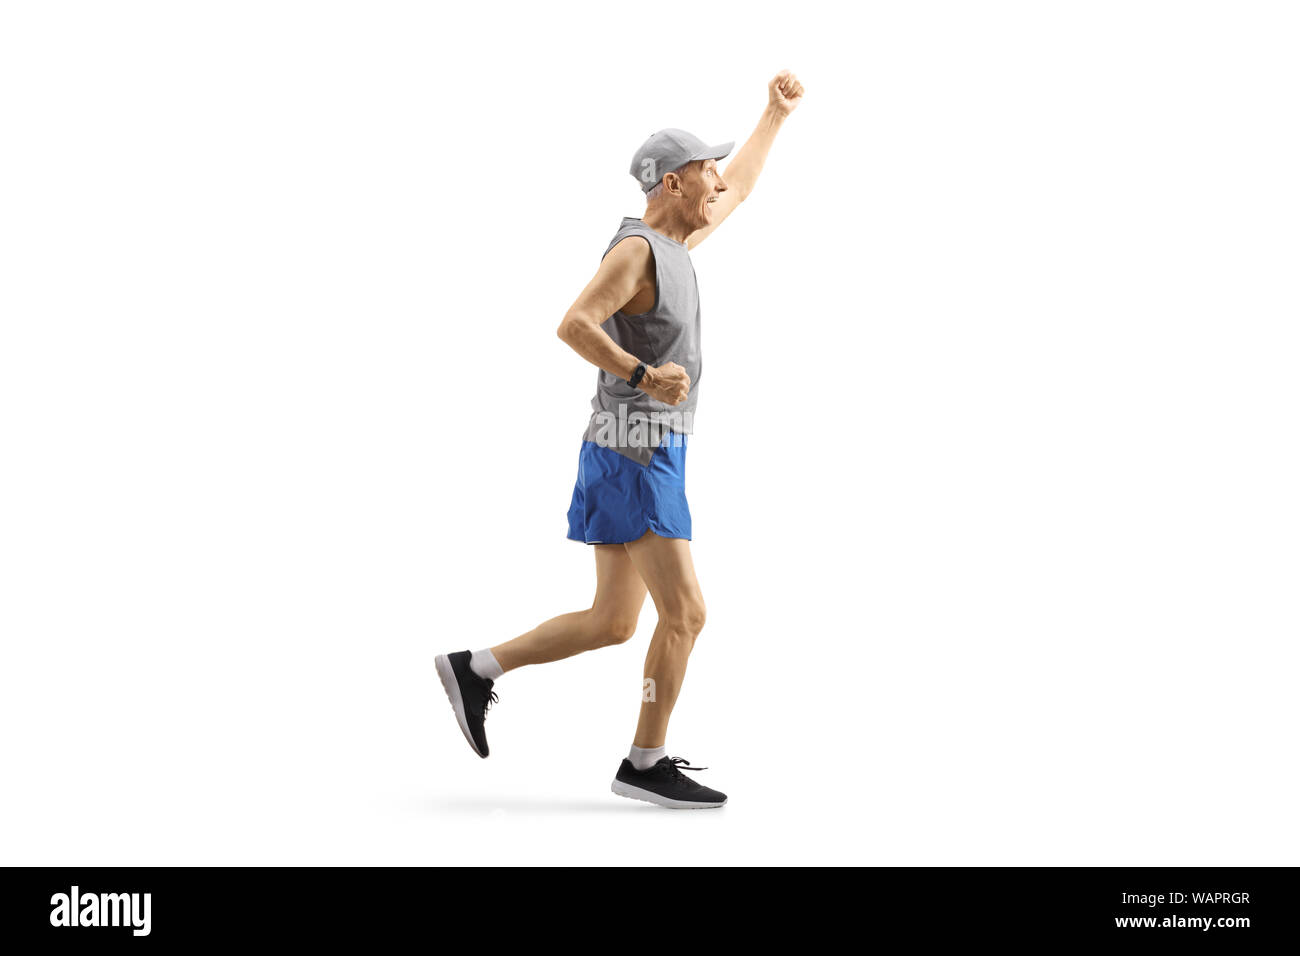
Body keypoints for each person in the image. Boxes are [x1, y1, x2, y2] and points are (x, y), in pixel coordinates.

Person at [436, 71, 804, 809]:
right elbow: (573, 323)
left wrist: (774, 114)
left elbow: (744, 184)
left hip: (627, 446)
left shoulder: (683, 236)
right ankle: (645, 760)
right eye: (705, 171)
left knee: (612, 621)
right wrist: (642, 373)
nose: (716, 182)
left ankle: (474, 668)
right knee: (687, 614)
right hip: (638, 447)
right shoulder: (635, 252)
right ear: (672, 181)